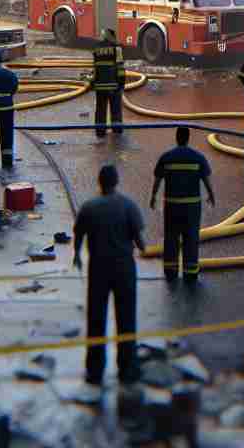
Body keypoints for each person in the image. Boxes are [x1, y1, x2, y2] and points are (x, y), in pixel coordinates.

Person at [73, 165, 145, 386]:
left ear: (99, 182)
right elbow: (139, 240)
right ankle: (128, 369)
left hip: (99, 269)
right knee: (126, 319)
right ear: (116, 181)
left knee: (96, 319)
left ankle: (94, 371)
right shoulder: (128, 206)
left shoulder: (89, 207)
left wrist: (77, 255)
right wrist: (142, 247)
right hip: (124, 269)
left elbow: (78, 235)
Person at [151, 128, 215, 283]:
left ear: (176, 138)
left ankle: (171, 271)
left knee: (171, 237)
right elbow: (206, 178)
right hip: (192, 206)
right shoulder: (198, 157)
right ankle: (190, 271)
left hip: (172, 205)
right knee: (191, 237)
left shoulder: (166, 157)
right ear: (188, 139)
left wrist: (153, 196)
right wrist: (211, 195)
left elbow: (158, 179)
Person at [91, 28, 126, 138]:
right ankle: (116, 133)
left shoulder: (96, 48)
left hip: (100, 86)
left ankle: (100, 133)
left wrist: (93, 83)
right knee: (116, 110)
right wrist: (122, 83)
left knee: (100, 111)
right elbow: (120, 68)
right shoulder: (117, 48)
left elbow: (95, 68)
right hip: (114, 86)